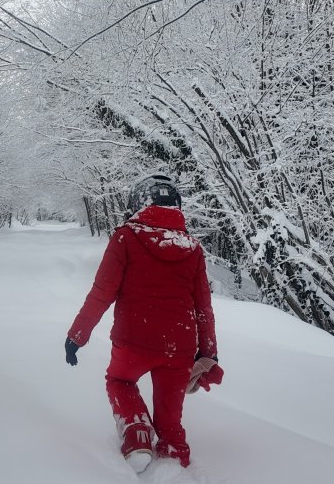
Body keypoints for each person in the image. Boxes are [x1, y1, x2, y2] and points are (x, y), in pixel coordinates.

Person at [64, 173, 222, 472]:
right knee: (170, 418)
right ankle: (174, 456)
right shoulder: (192, 246)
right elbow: (203, 308)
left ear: (137, 203)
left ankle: (136, 436)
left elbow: (102, 293)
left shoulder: (126, 237)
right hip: (180, 345)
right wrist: (208, 352)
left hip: (133, 340)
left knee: (119, 380)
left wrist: (77, 336)